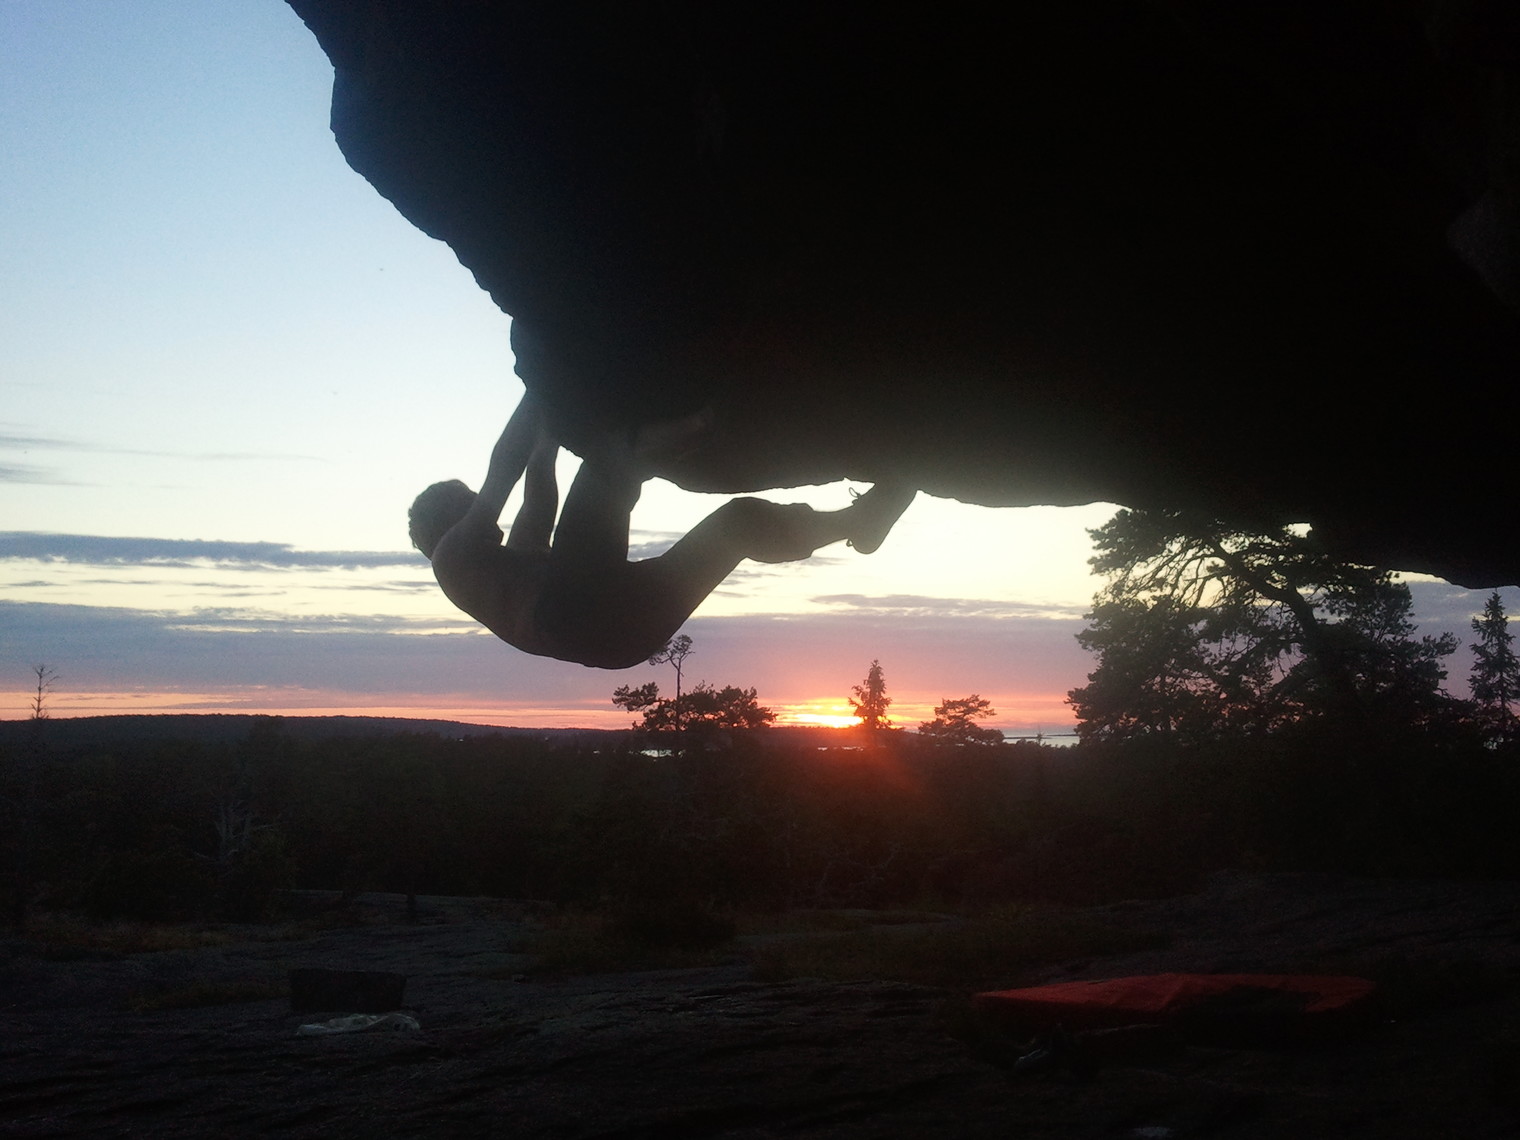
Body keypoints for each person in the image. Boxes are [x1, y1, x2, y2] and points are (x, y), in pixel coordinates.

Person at [408, 394, 916, 668]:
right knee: (606, 468)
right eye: (468, 504)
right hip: (572, 613)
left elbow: (538, 490)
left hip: (619, 642)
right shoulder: (451, 556)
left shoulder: (495, 577)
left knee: (739, 525)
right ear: (446, 519)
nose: (482, 513)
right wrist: (538, 389)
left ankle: (859, 524)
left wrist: (550, 428)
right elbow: (503, 473)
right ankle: (704, 417)